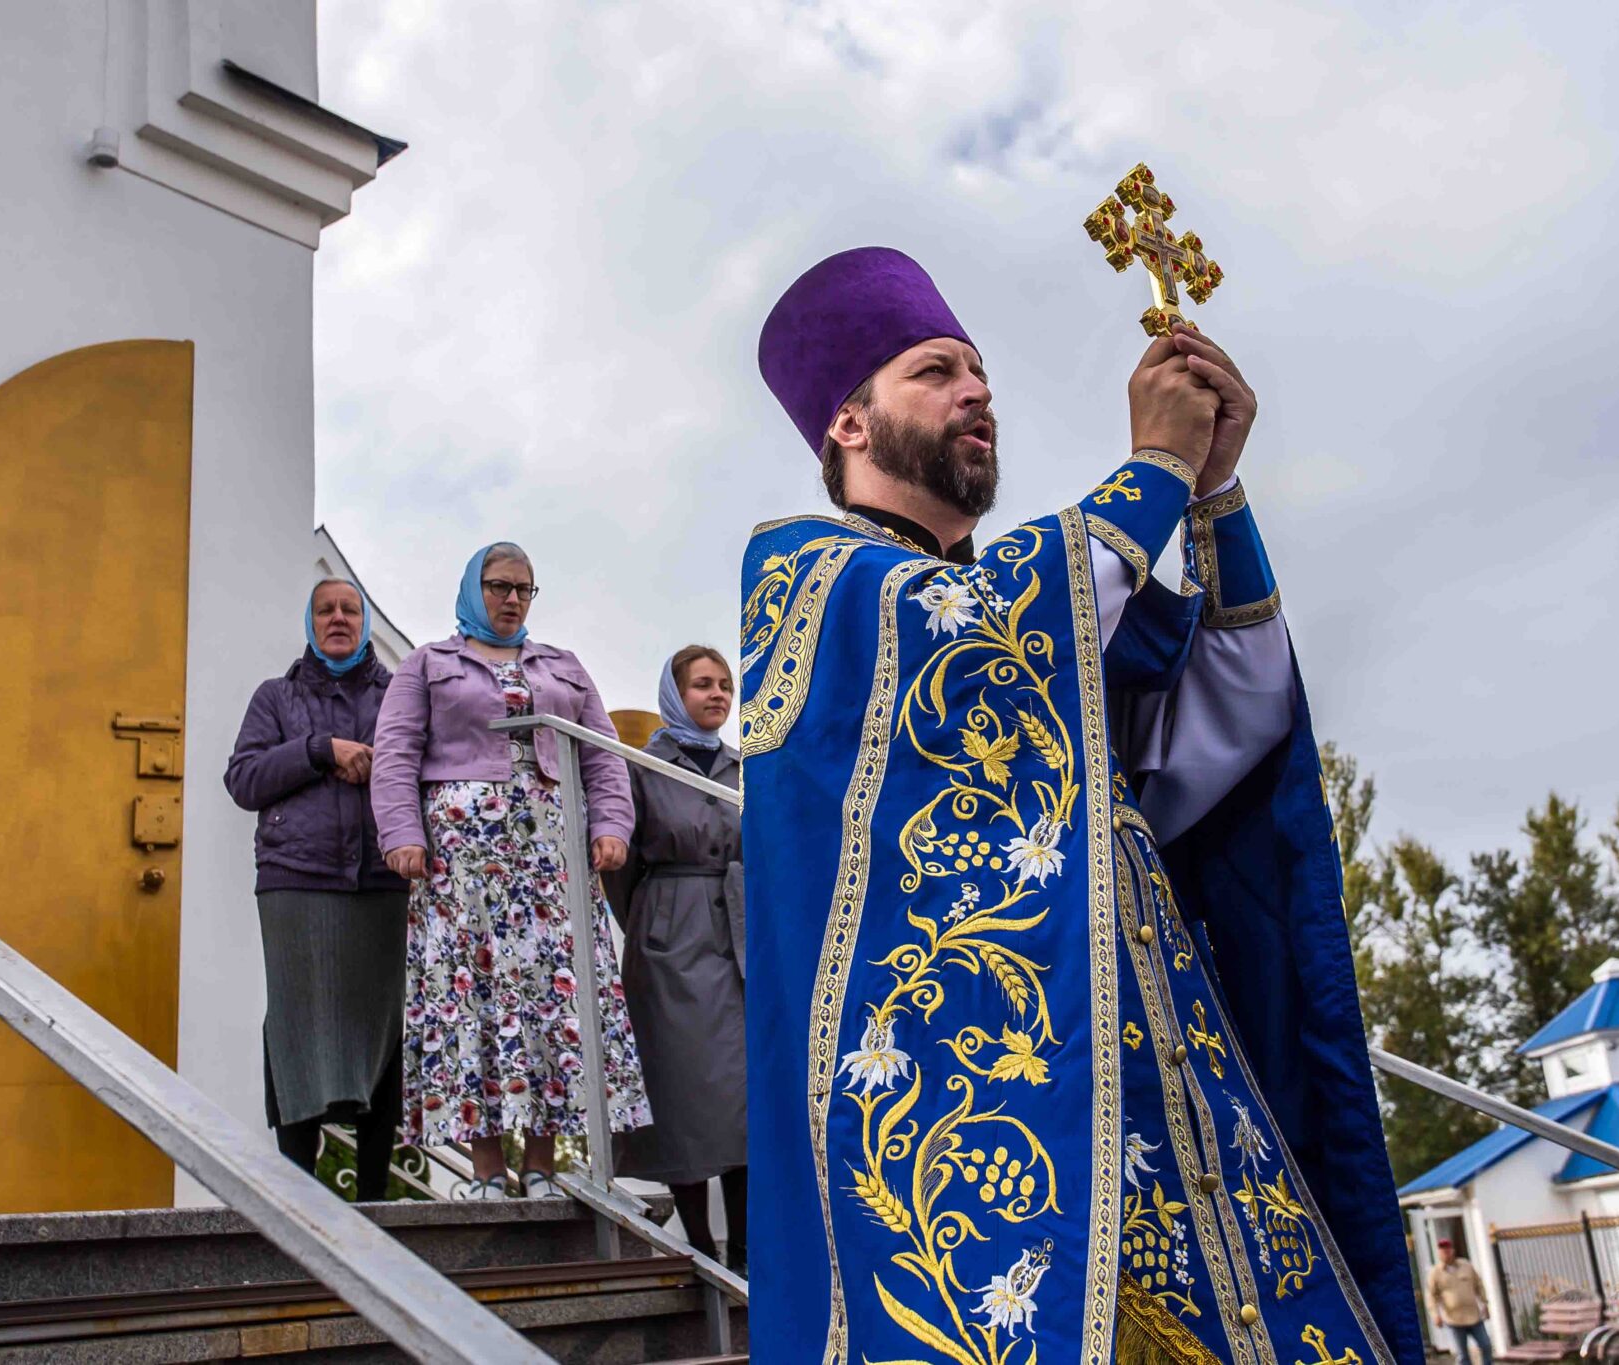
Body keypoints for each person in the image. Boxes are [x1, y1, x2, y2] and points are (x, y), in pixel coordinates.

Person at [741, 248, 1422, 1364]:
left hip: (1171, 1099)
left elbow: (1233, 725)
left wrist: (1211, 492)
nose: (976, 391)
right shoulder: (807, 576)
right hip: (991, 1140)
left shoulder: (1057, 622)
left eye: (980, 371)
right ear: (849, 424)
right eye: (934, 371)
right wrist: (1156, 466)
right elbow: (968, 625)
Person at [370, 542, 650, 1201]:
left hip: (550, 861)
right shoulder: (428, 663)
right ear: (474, 588)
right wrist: (402, 834)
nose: (512, 599)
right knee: (473, 998)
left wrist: (612, 825)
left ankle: (543, 1167)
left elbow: (603, 756)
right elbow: (395, 752)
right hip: (462, 866)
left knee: (551, 997)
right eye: (499, 586)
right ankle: (488, 1170)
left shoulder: (563, 665)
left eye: (524, 588)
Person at [224, 578, 405, 1200]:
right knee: (297, 1027)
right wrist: (319, 750)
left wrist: (381, 765)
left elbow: (426, 768)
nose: (338, 619)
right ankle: (300, 1193)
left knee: (381, 1028)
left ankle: (374, 1198)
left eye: (350, 610)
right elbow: (244, 779)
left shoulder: (399, 695)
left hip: (382, 880)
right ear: (310, 622)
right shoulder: (276, 697)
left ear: (364, 622)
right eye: (325, 610)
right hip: (295, 884)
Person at [603, 646, 747, 1272]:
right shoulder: (642, 766)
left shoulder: (747, 767)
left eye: (725, 685)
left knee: (742, 1096)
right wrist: (654, 924)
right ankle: (699, 1243)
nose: (717, 695)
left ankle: (744, 1252)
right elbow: (620, 871)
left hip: (740, 940)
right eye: (702, 685)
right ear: (675, 694)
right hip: (669, 940)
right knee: (682, 1091)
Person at [1428, 1238, 1494, 1365]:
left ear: (1452, 1250)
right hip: (1454, 1319)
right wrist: (1435, 1315)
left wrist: (1485, 1303)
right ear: (1439, 1253)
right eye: (1443, 1250)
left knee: (1486, 1345)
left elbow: (1479, 1285)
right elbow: (1431, 1296)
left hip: (1474, 1316)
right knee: (1462, 1354)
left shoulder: (1466, 1266)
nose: (1446, 1253)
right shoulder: (1435, 1273)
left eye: (1448, 1249)